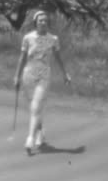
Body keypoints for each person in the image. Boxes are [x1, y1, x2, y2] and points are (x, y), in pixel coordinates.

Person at [14, 10, 71, 155]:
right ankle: (40, 132)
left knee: (35, 106)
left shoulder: (53, 39)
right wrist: (17, 76)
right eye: (40, 21)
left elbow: (58, 57)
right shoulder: (28, 38)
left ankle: (30, 138)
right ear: (35, 23)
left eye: (45, 21)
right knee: (34, 108)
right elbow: (22, 58)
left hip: (44, 75)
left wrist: (65, 74)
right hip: (29, 75)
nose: (43, 23)